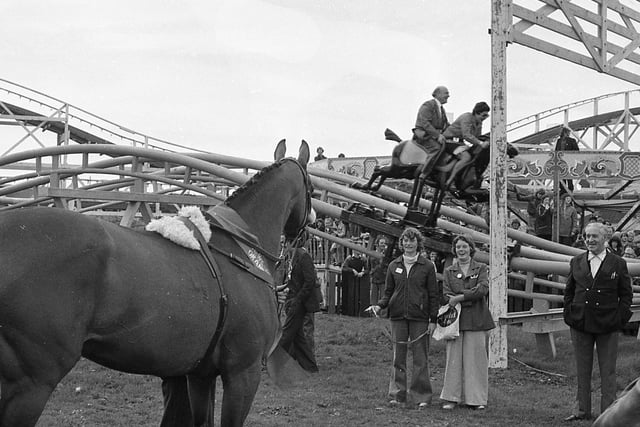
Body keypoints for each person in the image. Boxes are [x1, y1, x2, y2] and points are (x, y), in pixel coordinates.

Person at [562, 222, 633, 421]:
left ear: (605, 239)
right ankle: (581, 410)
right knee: (582, 369)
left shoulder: (618, 263)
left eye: (594, 236)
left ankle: (609, 413)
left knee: (608, 371)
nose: (590, 240)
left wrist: (619, 319)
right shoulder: (576, 261)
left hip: (607, 323)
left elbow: (626, 295)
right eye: (587, 236)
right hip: (580, 322)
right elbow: (569, 291)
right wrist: (569, 313)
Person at [367, 227, 439, 409]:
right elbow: (388, 292)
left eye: (412, 240)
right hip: (398, 316)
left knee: (420, 358)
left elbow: (433, 295)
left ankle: (421, 395)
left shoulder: (428, 266)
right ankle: (397, 394)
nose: (408, 244)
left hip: (420, 318)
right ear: (401, 244)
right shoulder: (393, 266)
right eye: (405, 241)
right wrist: (379, 305)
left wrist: (433, 320)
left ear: (418, 243)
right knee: (398, 358)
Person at [439, 235, 495, 411]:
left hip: (477, 320)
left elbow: (483, 289)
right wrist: (462, 297)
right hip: (455, 321)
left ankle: (476, 399)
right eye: (458, 247)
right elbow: (446, 293)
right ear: (454, 250)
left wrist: (460, 297)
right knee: (453, 360)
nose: (461, 250)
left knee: (476, 361)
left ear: (471, 248)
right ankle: (451, 398)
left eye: (464, 247)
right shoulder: (448, 271)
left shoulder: (482, 268)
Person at [278, 232, 320, 373]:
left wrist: (298, 299)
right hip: (294, 300)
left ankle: (273, 362)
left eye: (285, 244)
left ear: (292, 243)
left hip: (300, 302)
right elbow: (292, 280)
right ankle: (310, 366)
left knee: (287, 333)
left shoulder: (303, 256)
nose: (284, 247)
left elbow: (309, 281)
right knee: (298, 336)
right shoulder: (293, 257)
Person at [442, 102, 491, 189]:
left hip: (460, 143)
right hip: (450, 141)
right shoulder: (466, 117)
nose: (484, 118)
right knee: (466, 157)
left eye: (486, 116)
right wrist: (480, 143)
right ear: (477, 113)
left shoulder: (478, 122)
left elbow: (476, 137)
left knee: (473, 156)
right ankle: (450, 181)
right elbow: (467, 135)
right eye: (483, 115)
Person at [412, 86, 450, 175]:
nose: (448, 96)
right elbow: (425, 123)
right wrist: (438, 135)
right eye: (446, 93)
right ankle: (424, 173)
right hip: (423, 135)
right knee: (436, 148)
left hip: (432, 136)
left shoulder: (441, 109)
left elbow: (446, 125)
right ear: (438, 94)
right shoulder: (428, 105)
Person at [341, 242, 367, 316]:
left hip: (359, 281)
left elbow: (367, 269)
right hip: (350, 281)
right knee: (350, 297)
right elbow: (344, 268)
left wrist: (363, 272)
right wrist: (352, 270)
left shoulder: (363, 259)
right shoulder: (349, 259)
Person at [368, 236, 389, 316]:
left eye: (384, 243)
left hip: (384, 279)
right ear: (377, 244)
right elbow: (369, 265)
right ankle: (373, 314)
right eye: (381, 243)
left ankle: (383, 315)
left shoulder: (387, 255)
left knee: (383, 297)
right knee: (373, 297)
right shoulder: (372, 254)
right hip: (374, 278)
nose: (383, 245)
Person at [555, 126, 579, 194]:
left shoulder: (572, 140)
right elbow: (556, 150)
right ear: (565, 132)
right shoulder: (559, 140)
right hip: (560, 160)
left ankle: (570, 189)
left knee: (569, 175)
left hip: (569, 160)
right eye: (568, 132)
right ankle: (562, 189)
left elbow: (577, 151)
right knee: (561, 175)